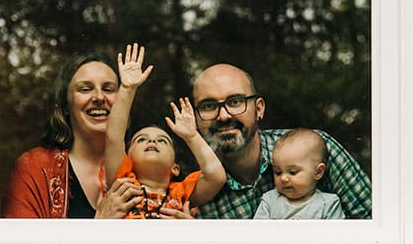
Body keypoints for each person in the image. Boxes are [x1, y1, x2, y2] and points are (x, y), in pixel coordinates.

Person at [183, 63, 371, 219]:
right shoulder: (196, 194)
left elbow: (374, 224)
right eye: (209, 106)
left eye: (235, 102)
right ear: (197, 118)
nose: (223, 116)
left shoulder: (314, 149)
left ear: (259, 109)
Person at [2, 53, 144, 218]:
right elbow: (20, 242)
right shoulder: (34, 167)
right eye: (85, 89)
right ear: (65, 105)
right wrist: (101, 223)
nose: (99, 97)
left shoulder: (145, 168)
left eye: (108, 89)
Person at [104, 44, 227, 219]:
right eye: (141, 140)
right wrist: (127, 89)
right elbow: (113, 137)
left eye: (162, 141)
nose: (152, 142)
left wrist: (192, 136)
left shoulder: (180, 193)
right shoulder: (123, 183)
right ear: (127, 158)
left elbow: (216, 177)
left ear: (175, 168)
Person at [254, 128, 345, 219]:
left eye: (293, 172)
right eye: (278, 172)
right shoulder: (270, 201)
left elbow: (336, 233)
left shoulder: (328, 205)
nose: (283, 178)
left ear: (318, 172)